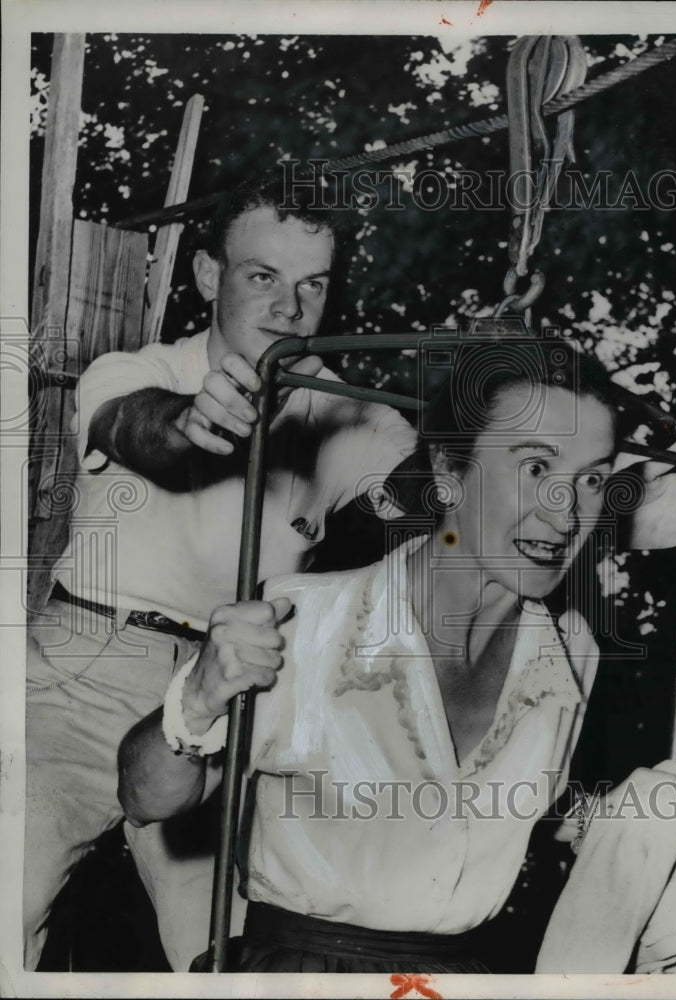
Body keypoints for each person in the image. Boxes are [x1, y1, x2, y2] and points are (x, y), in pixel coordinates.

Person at [118, 341, 676, 973]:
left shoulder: (571, 652)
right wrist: (196, 700)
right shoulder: (307, 620)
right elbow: (144, 798)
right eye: (535, 469)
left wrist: (641, 834)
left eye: (593, 479)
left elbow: (523, 811)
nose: (565, 511)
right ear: (448, 472)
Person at [24, 174, 418, 971]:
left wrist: (612, 511)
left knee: (242, 957)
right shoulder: (136, 372)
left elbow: (459, 517)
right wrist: (195, 421)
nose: (289, 309)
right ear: (208, 277)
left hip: (232, 710)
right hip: (76, 681)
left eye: (313, 286)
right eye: (261, 276)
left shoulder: (362, 421)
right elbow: (145, 432)